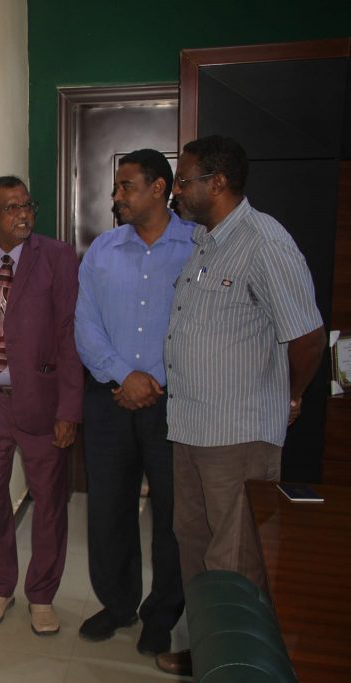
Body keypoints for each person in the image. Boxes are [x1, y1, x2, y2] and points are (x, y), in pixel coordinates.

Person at [156, 135, 326, 676]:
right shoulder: (206, 241)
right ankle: (207, 650)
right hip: (190, 426)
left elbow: (308, 337)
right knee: (194, 543)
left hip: (238, 434)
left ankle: (239, 665)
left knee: (234, 558)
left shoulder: (264, 241)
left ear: (219, 183)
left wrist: (290, 395)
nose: (176, 191)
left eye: (184, 181)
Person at [74, 149, 193, 656]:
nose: (116, 196)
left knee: (172, 516)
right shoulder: (102, 250)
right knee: (108, 511)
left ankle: (161, 615)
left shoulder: (197, 246)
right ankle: (118, 604)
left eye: (126, 186)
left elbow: (203, 328)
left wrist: (153, 380)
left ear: (159, 188)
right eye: (116, 186)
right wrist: (126, 376)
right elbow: (85, 325)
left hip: (174, 402)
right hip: (110, 400)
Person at [0, 176, 82, 635]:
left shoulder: (57, 257)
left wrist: (69, 410)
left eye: (27, 205)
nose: (23, 214)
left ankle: (42, 595)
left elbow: (69, 334)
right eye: (11, 208)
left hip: (41, 403)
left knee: (49, 503)